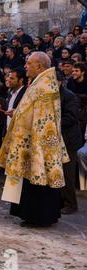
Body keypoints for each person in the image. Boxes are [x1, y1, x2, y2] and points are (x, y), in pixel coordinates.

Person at [0, 52, 69, 227]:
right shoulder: (39, 83)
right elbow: (32, 111)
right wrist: (18, 113)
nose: (25, 66)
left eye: (29, 63)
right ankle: (30, 215)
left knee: (39, 181)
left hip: (38, 144)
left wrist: (36, 147)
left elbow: (45, 121)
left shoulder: (45, 87)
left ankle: (39, 217)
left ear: (40, 66)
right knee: (30, 182)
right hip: (29, 141)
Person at [56, 70, 83, 214]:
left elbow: (71, 118)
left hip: (69, 140)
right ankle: (60, 201)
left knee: (67, 173)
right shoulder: (53, 95)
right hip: (58, 139)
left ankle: (71, 204)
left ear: (60, 82)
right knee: (58, 172)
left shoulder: (69, 96)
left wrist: (52, 124)